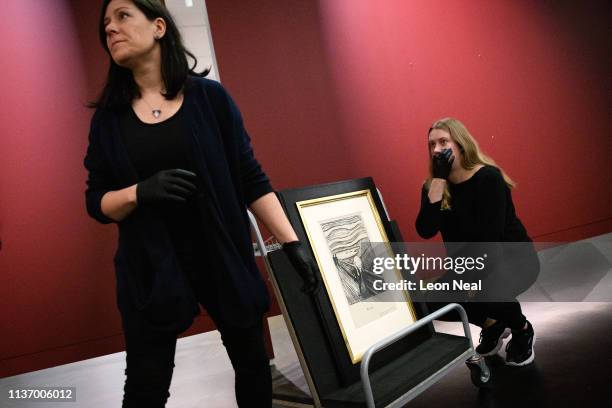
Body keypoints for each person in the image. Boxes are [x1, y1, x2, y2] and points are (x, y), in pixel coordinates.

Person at [83, 1, 318, 406]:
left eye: (122, 16)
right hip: (150, 268)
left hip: (221, 256)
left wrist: (293, 243)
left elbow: (250, 177)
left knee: (252, 370)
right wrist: (140, 191)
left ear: (159, 27)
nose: (110, 29)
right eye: (105, 24)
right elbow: (96, 202)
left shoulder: (210, 99)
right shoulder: (109, 119)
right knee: (145, 385)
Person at [415, 117, 539, 366]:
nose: (437, 149)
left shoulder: (488, 178)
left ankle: (521, 329)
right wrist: (438, 180)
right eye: (432, 144)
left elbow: (489, 242)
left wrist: (469, 283)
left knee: (484, 290)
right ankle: (492, 323)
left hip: (511, 261)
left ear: (460, 144)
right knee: (421, 302)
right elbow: (425, 229)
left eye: (443, 141)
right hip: (469, 267)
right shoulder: (435, 187)